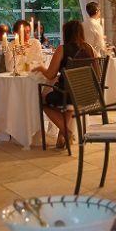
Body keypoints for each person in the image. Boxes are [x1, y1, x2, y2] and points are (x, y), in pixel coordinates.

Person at [32, 20, 95, 149]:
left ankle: (66, 132)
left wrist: (40, 68)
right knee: (68, 104)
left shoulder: (62, 49)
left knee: (42, 99)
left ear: (66, 33)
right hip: (86, 94)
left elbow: (50, 75)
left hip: (69, 94)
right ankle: (62, 137)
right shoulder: (89, 48)